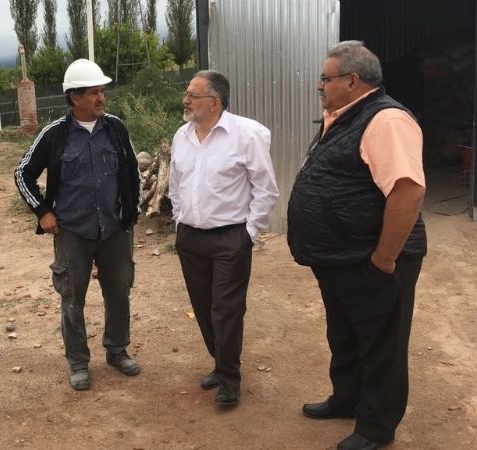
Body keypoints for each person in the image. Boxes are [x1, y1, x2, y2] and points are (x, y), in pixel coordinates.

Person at [287, 41, 426, 450]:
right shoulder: (345, 116)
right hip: (340, 258)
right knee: (344, 334)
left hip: (372, 259)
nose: (319, 85)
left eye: (326, 78)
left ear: (352, 80)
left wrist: (384, 258)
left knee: (381, 343)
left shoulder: (386, 120)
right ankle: (346, 399)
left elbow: (407, 192)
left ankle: (376, 427)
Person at [14, 59, 141, 391]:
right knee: (72, 298)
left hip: (114, 229)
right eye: (94, 92)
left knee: (119, 292)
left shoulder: (115, 128)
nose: (101, 98)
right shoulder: (55, 135)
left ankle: (117, 350)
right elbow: (22, 173)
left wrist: (132, 213)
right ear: (74, 97)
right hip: (73, 232)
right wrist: (42, 211)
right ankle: (79, 362)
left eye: (102, 91)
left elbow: (132, 173)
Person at [168, 70, 279, 406]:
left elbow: (265, 188)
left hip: (230, 238)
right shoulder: (181, 136)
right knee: (203, 307)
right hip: (190, 238)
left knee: (226, 310)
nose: (185, 100)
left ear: (214, 103)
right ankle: (220, 362)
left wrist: (248, 233)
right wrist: (178, 222)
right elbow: (175, 185)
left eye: (193, 94)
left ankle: (230, 379)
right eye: (187, 93)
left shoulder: (248, 134)